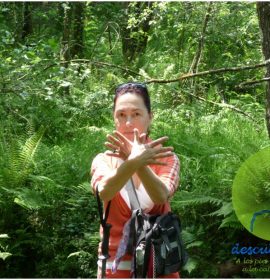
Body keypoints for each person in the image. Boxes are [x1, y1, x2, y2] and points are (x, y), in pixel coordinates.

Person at [91, 82, 180, 278]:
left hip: (159, 266)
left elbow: (161, 195)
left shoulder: (167, 158)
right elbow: (105, 191)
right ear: (114, 119)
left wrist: (139, 162)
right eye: (121, 115)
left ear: (150, 116)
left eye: (136, 114)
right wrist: (133, 161)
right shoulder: (103, 160)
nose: (128, 122)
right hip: (114, 269)